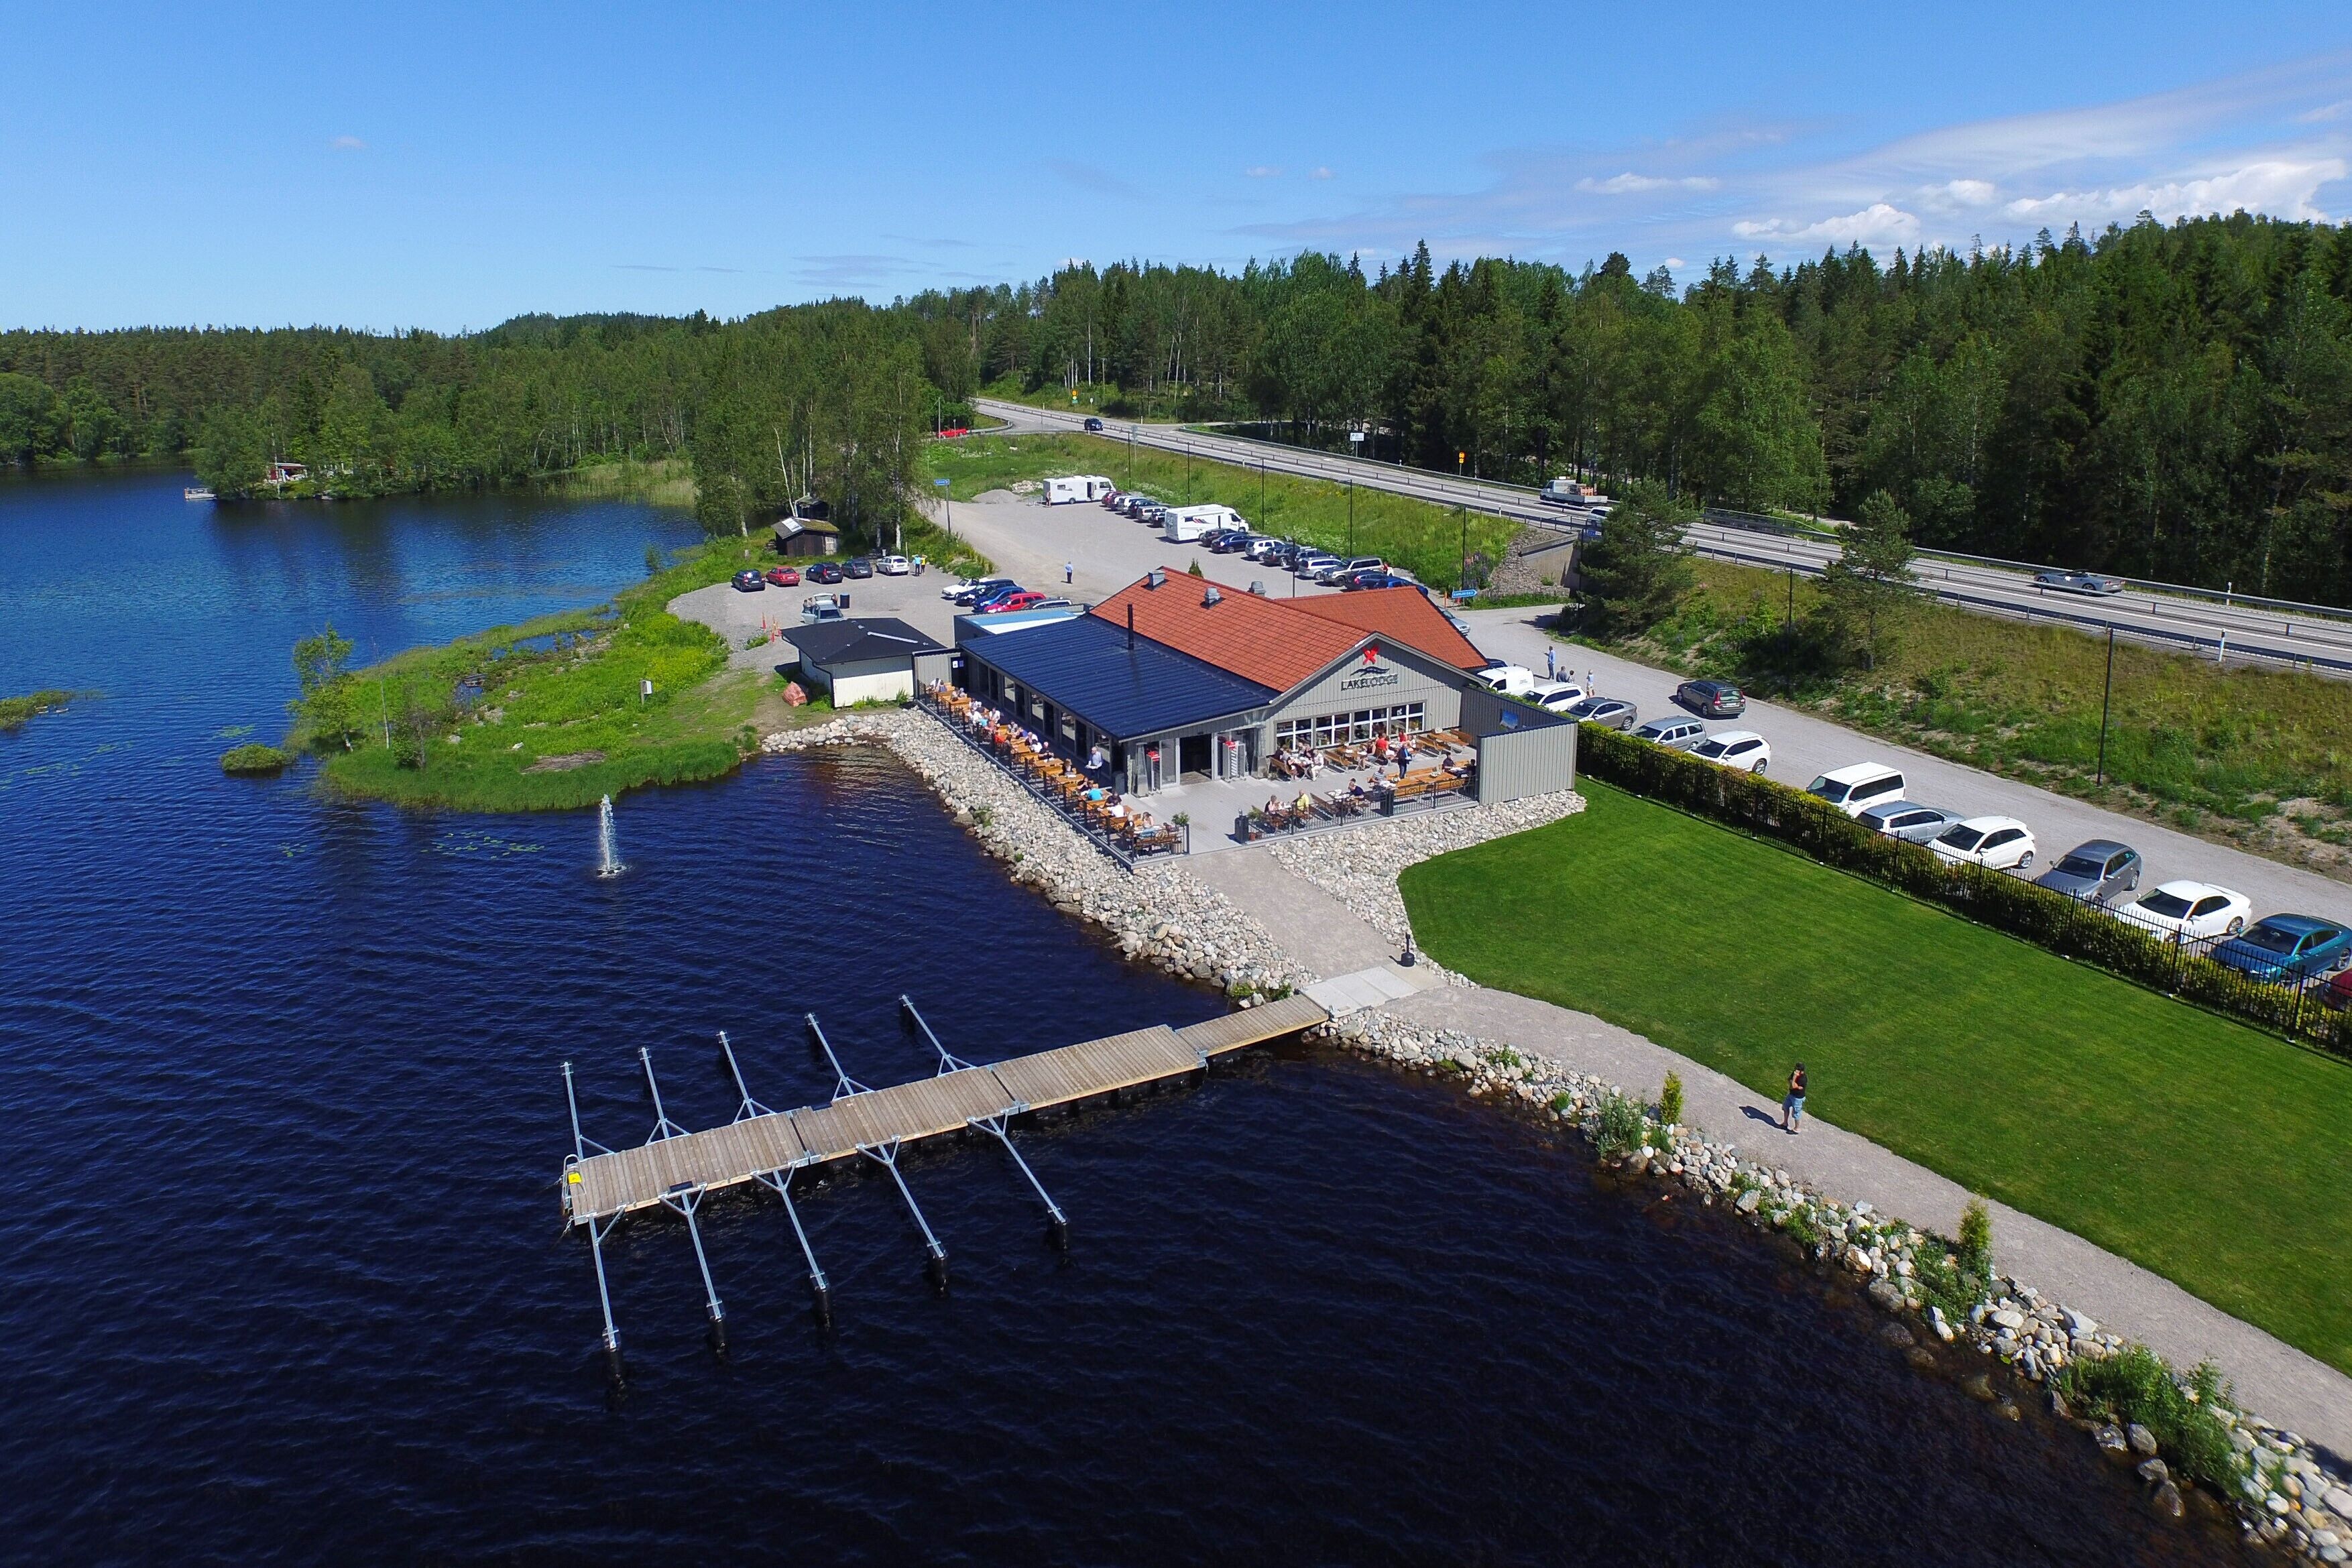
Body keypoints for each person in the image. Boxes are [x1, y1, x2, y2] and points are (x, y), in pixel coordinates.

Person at [1782, 1064, 1808, 1134]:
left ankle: (1797, 1129)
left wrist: (1794, 1078)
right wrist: (1793, 1083)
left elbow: (1793, 1086)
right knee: (1785, 1107)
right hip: (1791, 1095)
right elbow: (1789, 1080)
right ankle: (1785, 1124)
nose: (1795, 1071)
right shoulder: (1794, 1073)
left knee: (1796, 1113)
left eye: (1797, 1069)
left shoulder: (1803, 1079)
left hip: (1798, 1098)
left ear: (1800, 1071)